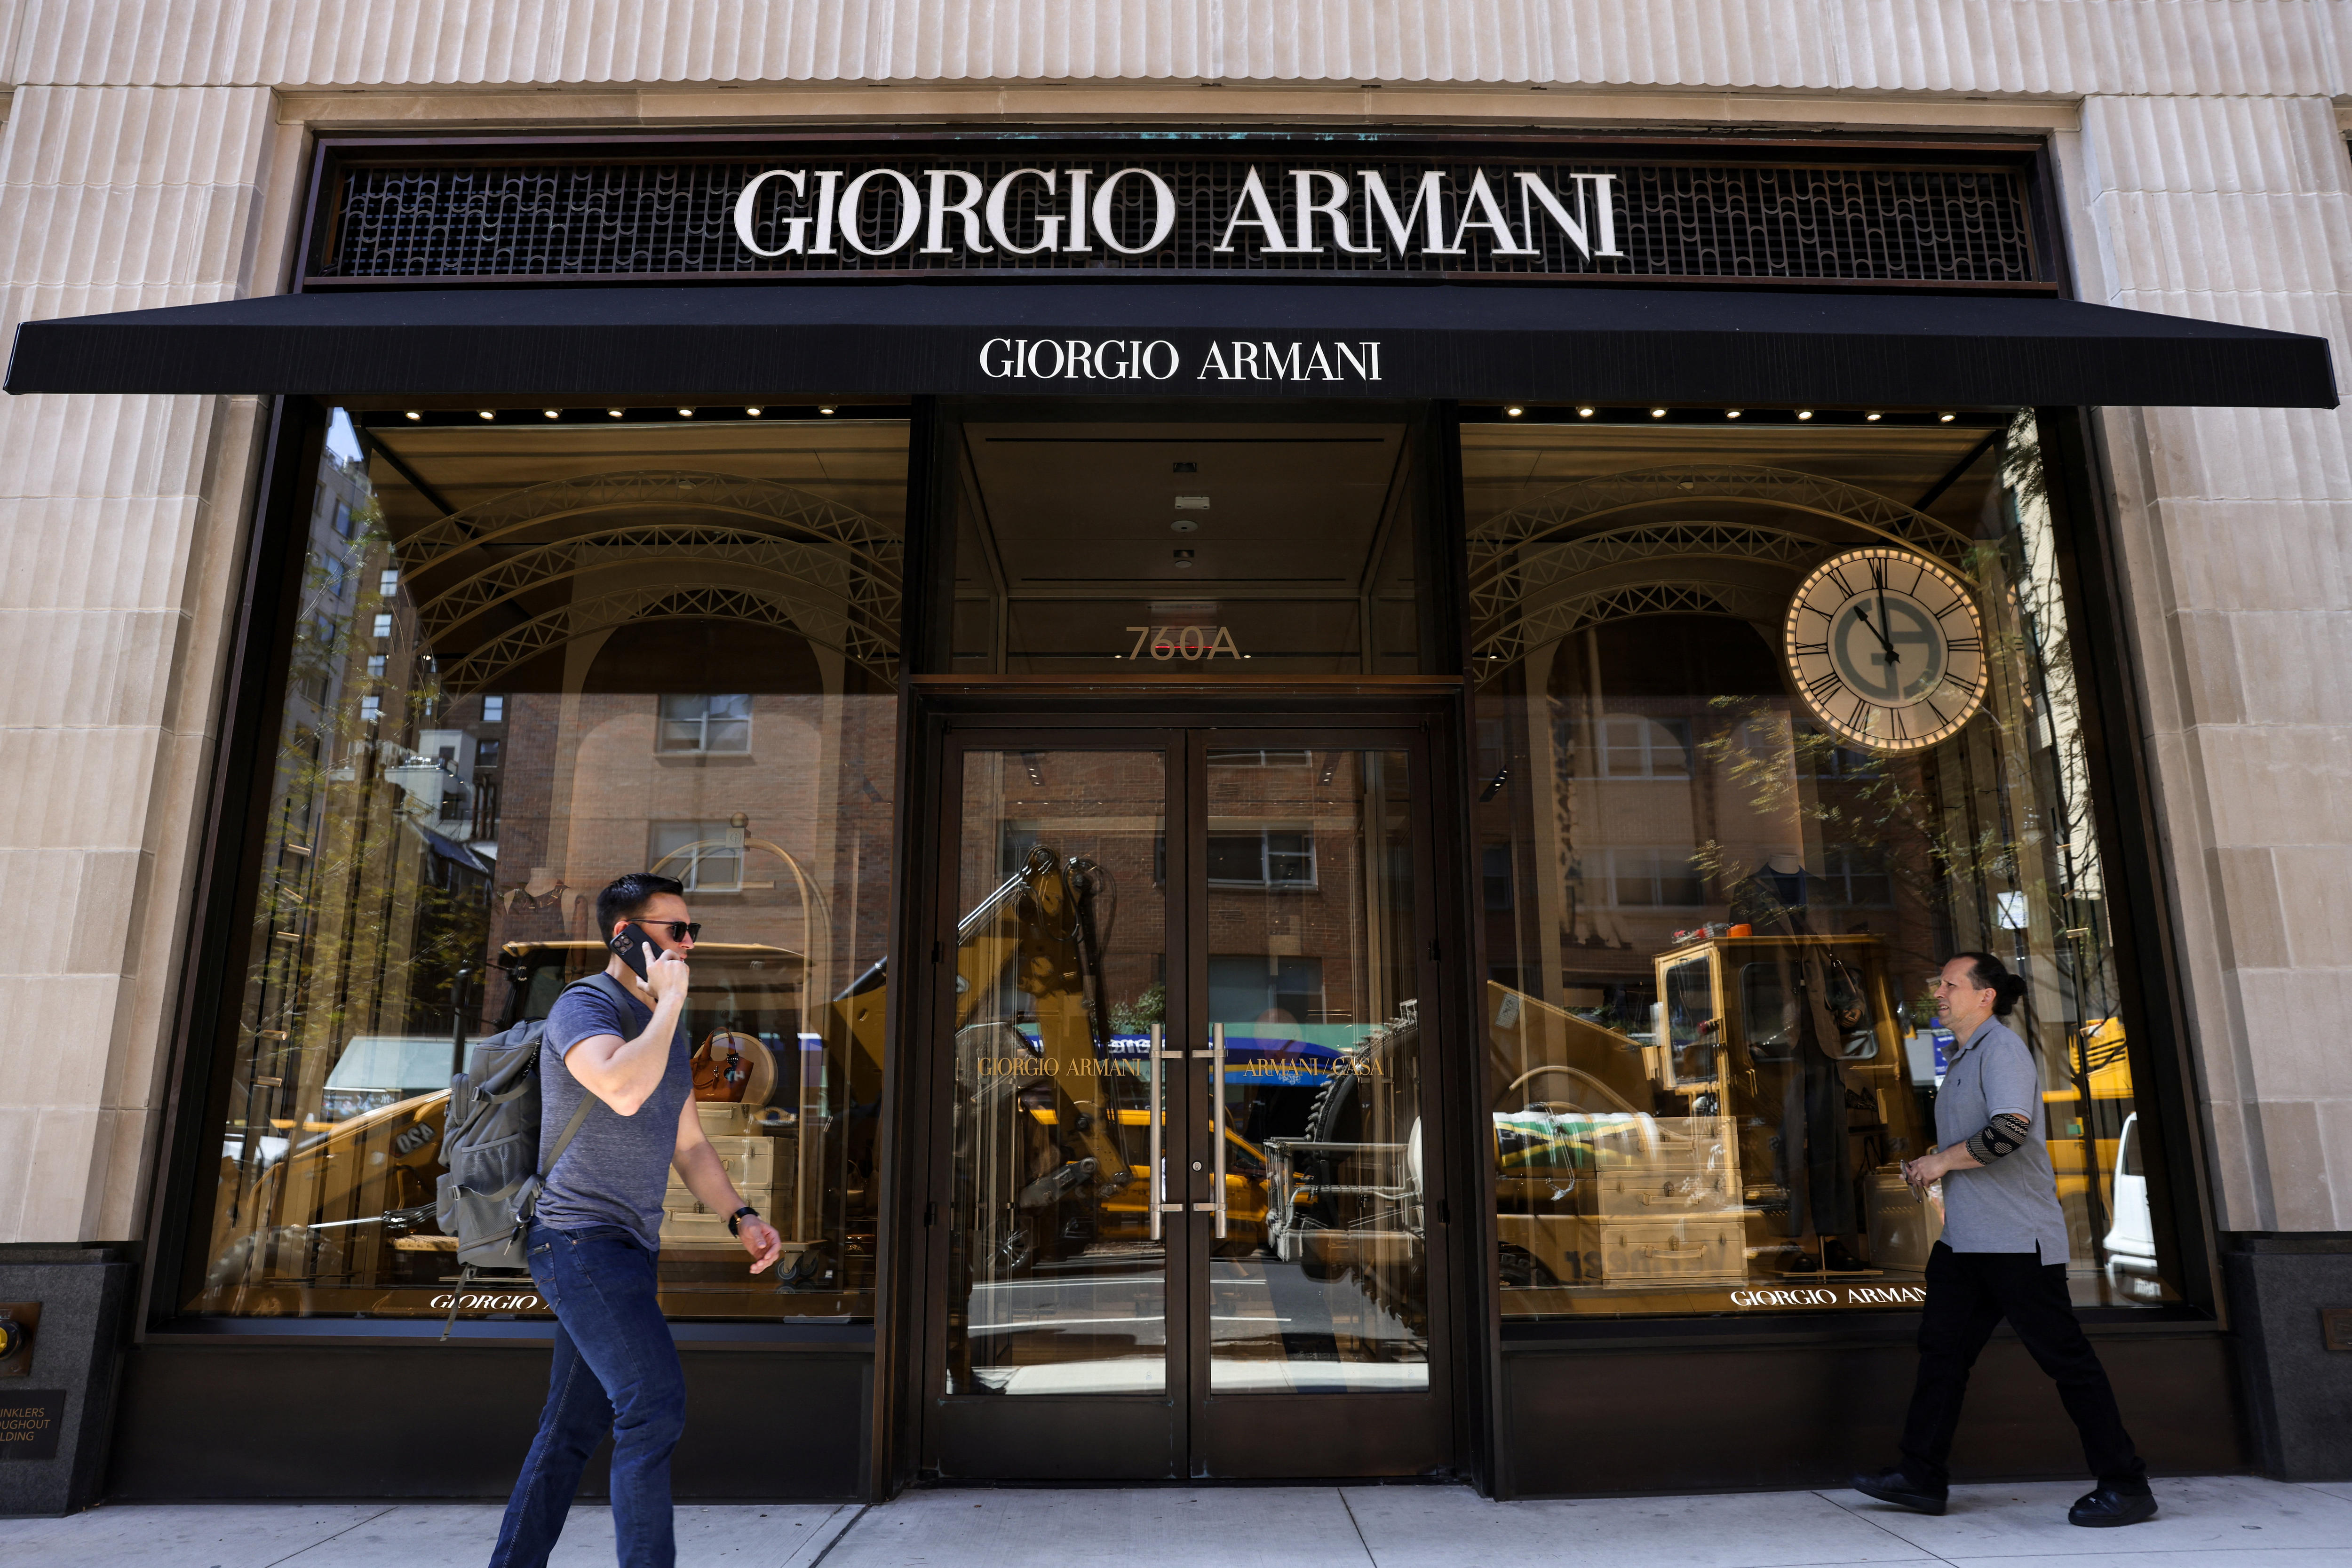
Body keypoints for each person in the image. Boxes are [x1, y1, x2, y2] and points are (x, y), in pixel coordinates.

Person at [489, 873, 785, 1568]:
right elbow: (620, 1087)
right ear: (625, 934)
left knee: (570, 1428)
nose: (688, 943)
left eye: (692, 932)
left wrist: (741, 1215)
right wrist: (669, 1005)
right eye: (674, 930)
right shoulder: (584, 1006)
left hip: (627, 1247)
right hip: (578, 1242)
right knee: (654, 1405)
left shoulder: (665, 1028)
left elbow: (687, 1143)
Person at [1852, 952, 2155, 1528]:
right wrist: (1935, 1168)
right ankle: (1920, 1476)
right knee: (1941, 1354)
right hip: (1966, 1245)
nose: (1936, 992)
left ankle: (2126, 1485)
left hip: (2017, 1244)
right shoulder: (1963, 1055)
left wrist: (1940, 1163)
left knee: (2066, 1362)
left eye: (1948, 984)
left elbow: (2008, 1131)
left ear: (1984, 995)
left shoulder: (2003, 1051)